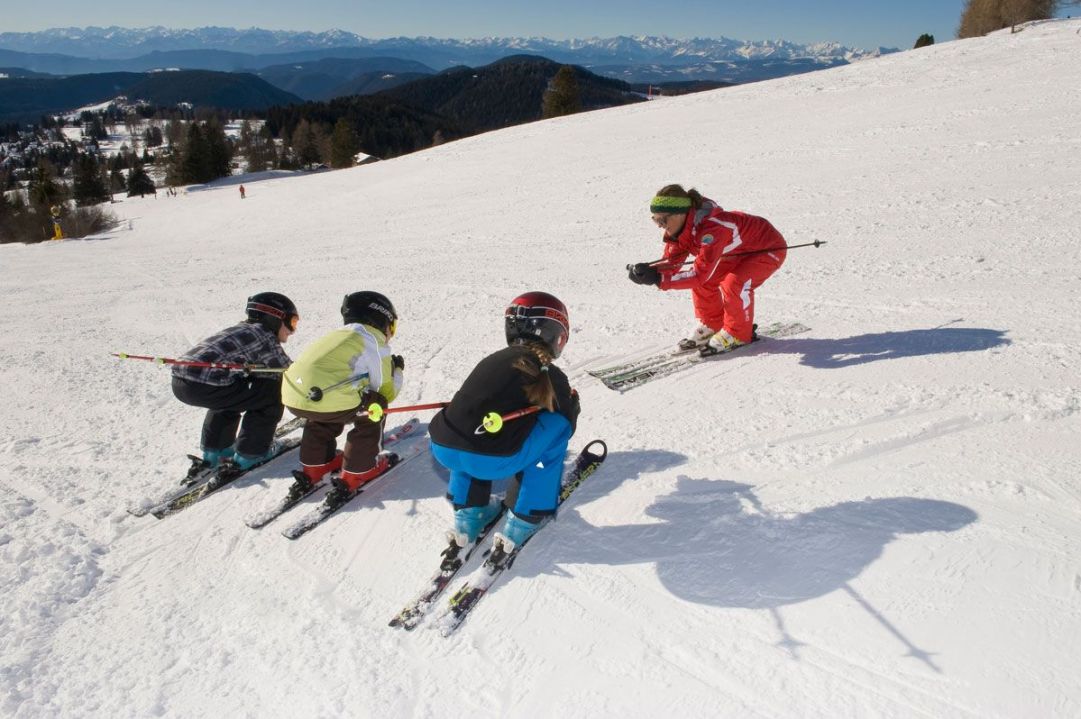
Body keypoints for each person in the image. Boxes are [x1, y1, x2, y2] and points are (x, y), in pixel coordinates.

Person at [429, 291, 581, 556]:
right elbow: (565, 422)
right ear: (554, 334)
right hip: (490, 461)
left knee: (474, 433)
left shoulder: (494, 359)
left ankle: (470, 514)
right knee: (557, 428)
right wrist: (572, 409)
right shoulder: (548, 373)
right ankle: (526, 516)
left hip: (444, 448)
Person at [628, 184, 787, 355]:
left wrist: (659, 279)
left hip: (768, 248)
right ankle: (713, 325)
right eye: (655, 220)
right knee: (706, 283)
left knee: (734, 283)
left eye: (663, 220)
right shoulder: (682, 229)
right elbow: (672, 262)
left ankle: (738, 334)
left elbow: (698, 274)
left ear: (680, 214)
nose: (660, 225)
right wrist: (649, 272)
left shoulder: (712, 229)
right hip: (736, 252)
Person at [281, 291, 404, 503]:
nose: (390, 333)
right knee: (374, 406)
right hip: (328, 397)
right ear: (382, 319)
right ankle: (360, 469)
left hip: (294, 397)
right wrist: (398, 370)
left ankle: (316, 465)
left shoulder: (336, 336)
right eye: (391, 327)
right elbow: (384, 391)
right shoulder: (372, 339)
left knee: (324, 410)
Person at [171, 292, 298, 477]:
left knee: (233, 393)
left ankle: (216, 450)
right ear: (276, 318)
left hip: (181, 383)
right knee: (272, 394)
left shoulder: (242, 330)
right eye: (292, 322)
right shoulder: (264, 335)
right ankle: (251, 454)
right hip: (204, 384)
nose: (292, 330)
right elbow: (287, 371)